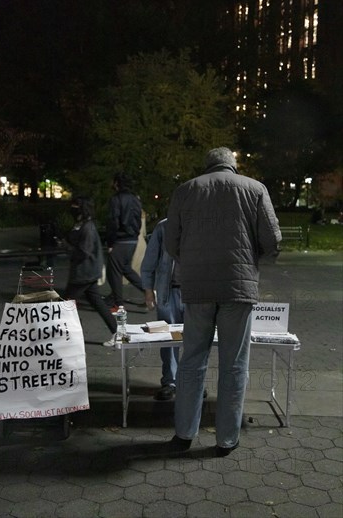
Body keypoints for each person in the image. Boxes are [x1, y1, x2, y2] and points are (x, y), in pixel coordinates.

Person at [165, 147, 281, 455]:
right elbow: (272, 240)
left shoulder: (186, 190)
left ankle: (184, 433)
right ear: (233, 165)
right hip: (238, 289)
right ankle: (226, 440)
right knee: (234, 364)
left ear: (208, 165)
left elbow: (170, 242)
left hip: (197, 288)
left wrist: (191, 261)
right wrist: (250, 259)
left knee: (191, 360)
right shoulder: (255, 189)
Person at [64, 197, 118, 345]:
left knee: (65, 304)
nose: (72, 209)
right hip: (88, 272)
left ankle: (65, 335)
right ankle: (117, 332)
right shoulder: (83, 224)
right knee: (98, 303)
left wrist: (70, 251)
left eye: (75, 206)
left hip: (84, 273)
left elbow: (84, 251)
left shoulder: (87, 227)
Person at [141, 218, 182, 400]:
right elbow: (149, 261)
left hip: (197, 293)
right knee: (168, 339)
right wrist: (149, 292)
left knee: (196, 341)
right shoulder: (164, 227)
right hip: (168, 292)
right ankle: (170, 381)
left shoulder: (202, 223)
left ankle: (191, 380)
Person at [104, 172, 145, 316]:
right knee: (126, 269)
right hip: (133, 239)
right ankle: (149, 292)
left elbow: (113, 222)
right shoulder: (135, 199)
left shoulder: (116, 199)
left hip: (120, 240)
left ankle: (118, 304)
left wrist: (110, 242)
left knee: (114, 272)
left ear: (116, 183)